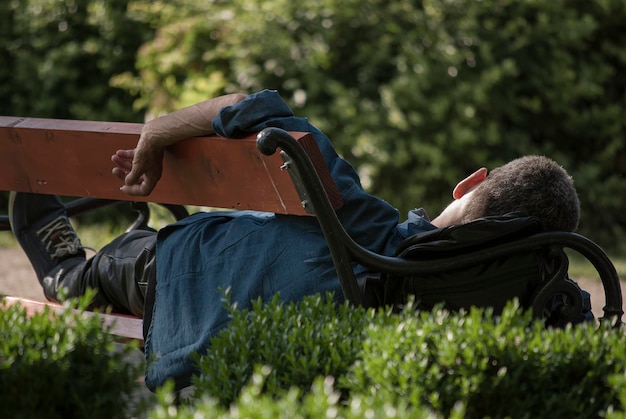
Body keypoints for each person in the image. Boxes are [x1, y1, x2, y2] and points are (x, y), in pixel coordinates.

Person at [9, 90, 580, 391]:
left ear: (470, 183)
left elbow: (257, 110)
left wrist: (158, 130)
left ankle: (68, 266)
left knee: (104, 271)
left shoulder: (373, 231)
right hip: (226, 329)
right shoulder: (526, 300)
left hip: (178, 286)